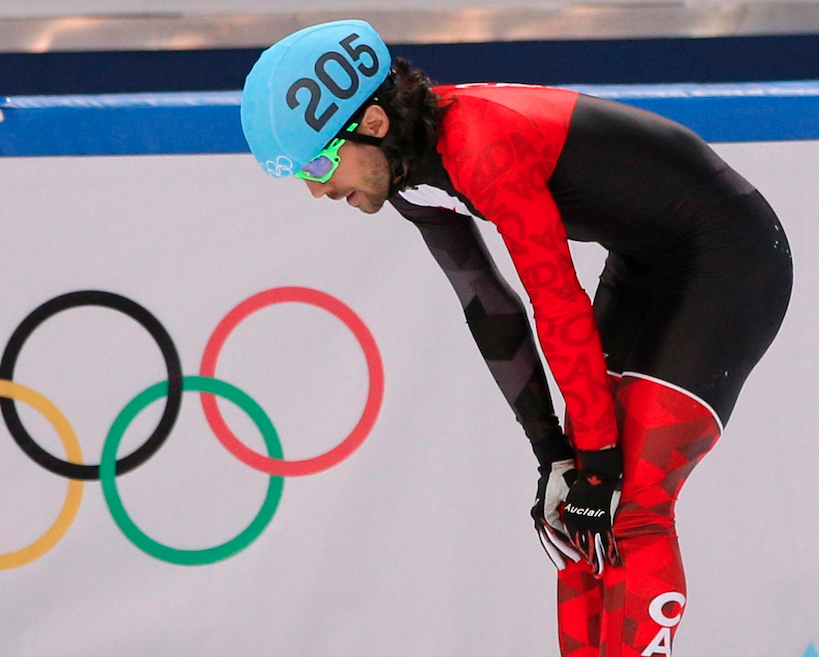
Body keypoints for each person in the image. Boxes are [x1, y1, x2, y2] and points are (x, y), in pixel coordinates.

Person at [240, 19, 793, 657]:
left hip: (731, 255)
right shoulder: (407, 172)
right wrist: (554, 453)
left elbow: (556, 303)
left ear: (374, 123)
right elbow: (489, 305)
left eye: (317, 163)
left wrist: (599, 459)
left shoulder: (482, 146)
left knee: (634, 504)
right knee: (574, 509)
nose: (317, 189)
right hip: (647, 261)